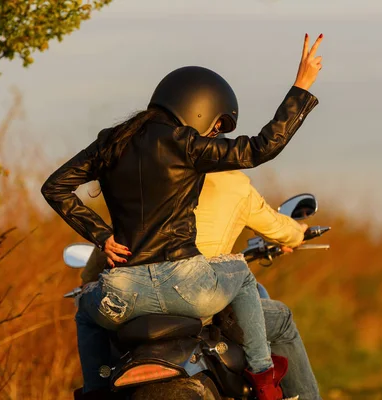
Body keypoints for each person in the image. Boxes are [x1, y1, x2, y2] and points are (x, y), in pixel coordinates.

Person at [42, 34, 323, 400]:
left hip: (124, 293)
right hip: (187, 287)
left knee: (85, 308)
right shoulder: (184, 144)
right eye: (215, 125)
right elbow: (261, 147)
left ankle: (96, 391)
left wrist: (101, 236)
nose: (212, 133)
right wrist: (301, 87)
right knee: (239, 273)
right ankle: (264, 377)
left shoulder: (111, 141)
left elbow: (55, 186)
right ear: (198, 109)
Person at [78, 170, 321, 399]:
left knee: (87, 309)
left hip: (136, 297)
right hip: (199, 296)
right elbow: (279, 228)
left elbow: (116, 238)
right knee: (282, 319)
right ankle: (273, 383)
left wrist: (90, 277)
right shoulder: (233, 183)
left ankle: (95, 391)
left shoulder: (153, 177)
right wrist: (298, 232)